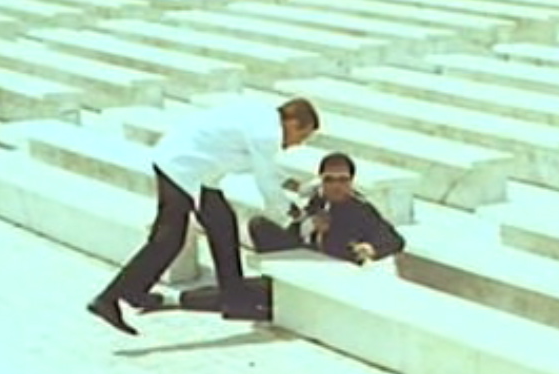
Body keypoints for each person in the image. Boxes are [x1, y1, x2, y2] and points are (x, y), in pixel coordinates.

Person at [87, 96, 320, 335]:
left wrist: (295, 186)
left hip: (188, 165)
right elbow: (266, 182)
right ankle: (109, 299)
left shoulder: (261, 117)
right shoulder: (267, 133)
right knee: (168, 239)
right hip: (183, 168)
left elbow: (259, 165)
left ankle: (232, 297)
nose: (297, 144)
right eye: (301, 136)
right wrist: (295, 214)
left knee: (222, 225)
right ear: (293, 123)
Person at [248, 152, 405, 265]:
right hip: (308, 255)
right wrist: (309, 225)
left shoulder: (361, 209)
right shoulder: (319, 199)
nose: (336, 186)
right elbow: (294, 232)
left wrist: (370, 248)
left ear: (351, 181)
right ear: (321, 180)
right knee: (259, 225)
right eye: (329, 180)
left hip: (335, 264)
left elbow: (394, 240)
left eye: (342, 180)